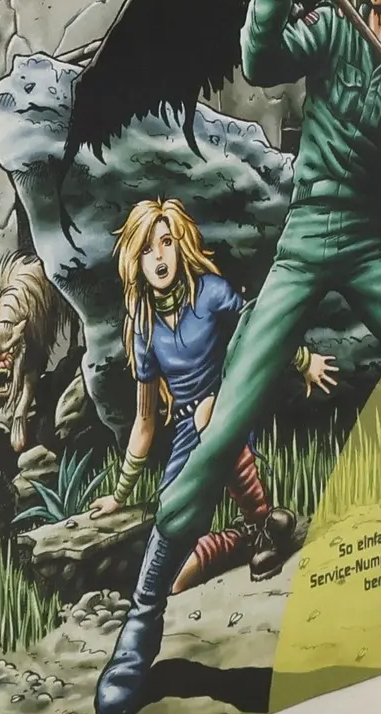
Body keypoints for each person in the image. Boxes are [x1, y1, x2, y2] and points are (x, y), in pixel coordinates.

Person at [94, 0, 381, 714]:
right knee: (220, 433)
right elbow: (261, 58)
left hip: (368, 245)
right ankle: (140, 625)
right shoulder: (335, 26)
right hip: (305, 244)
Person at [87, 197, 336, 591]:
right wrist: (119, 495)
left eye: (165, 242)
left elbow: (258, 327)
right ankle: (253, 532)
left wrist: (304, 360)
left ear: (180, 244)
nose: (159, 256)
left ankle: (260, 526)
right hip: (188, 429)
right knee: (173, 564)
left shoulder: (210, 292)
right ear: (136, 262)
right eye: (147, 250)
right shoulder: (144, 328)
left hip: (230, 405)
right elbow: (145, 421)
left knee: (209, 412)